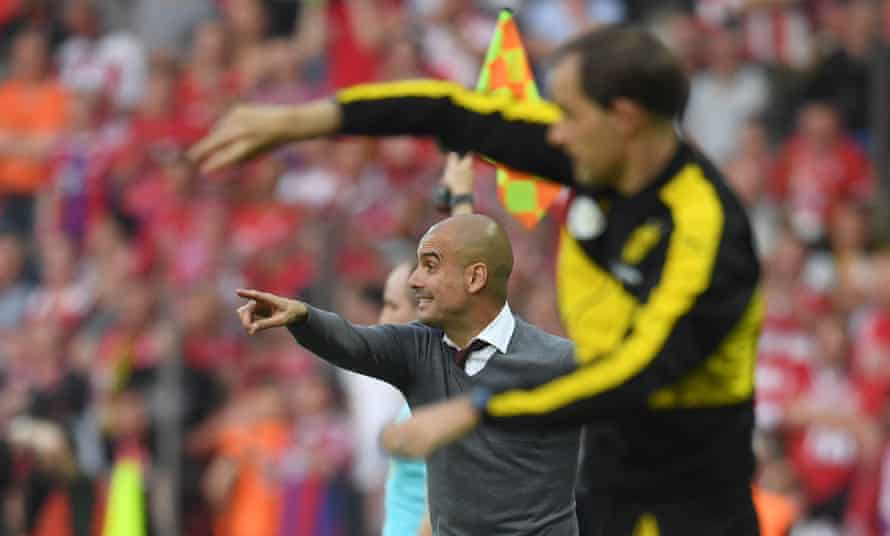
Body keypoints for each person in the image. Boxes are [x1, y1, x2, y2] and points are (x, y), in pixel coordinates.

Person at [191, 24, 762, 535]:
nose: (555, 135)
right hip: (615, 471)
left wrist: (475, 410)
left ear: (626, 117)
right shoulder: (596, 156)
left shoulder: (708, 233)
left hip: (695, 483)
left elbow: (636, 372)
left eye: (569, 114)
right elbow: (448, 110)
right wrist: (299, 121)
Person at [233, 212, 582, 535]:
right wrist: (303, 317)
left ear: (475, 277)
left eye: (430, 267)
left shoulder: (558, 361)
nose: (415, 281)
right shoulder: (418, 349)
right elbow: (353, 342)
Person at [380, 153, 475, 536]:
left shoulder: (445, 390)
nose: (381, 320)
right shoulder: (424, 387)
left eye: (391, 306)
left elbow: (445, 504)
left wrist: (465, 196)